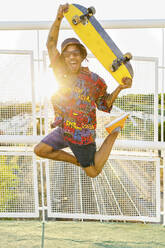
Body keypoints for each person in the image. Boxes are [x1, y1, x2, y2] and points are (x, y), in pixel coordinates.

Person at [34, 4, 132, 178]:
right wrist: (58, 18)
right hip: (65, 129)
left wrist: (120, 87)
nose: (72, 56)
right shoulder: (60, 72)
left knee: (93, 172)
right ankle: (77, 161)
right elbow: (50, 44)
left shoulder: (93, 80)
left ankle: (114, 132)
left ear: (82, 57)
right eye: (67, 54)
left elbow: (105, 104)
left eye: (76, 53)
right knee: (40, 150)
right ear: (63, 58)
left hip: (83, 134)